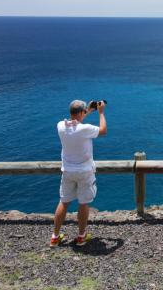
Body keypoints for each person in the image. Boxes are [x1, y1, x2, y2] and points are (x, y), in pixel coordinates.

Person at [50, 100, 107, 247]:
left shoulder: (61, 126)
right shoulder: (85, 129)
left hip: (68, 171)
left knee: (64, 202)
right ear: (81, 113)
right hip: (84, 172)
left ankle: (55, 237)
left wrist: (87, 111)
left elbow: (75, 121)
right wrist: (100, 113)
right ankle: (81, 236)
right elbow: (103, 130)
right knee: (83, 203)